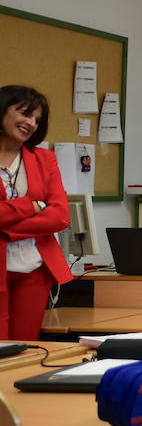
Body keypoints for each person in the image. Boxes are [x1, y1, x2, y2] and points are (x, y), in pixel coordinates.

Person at [0, 86, 74, 341]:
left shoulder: (44, 159)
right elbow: (45, 211)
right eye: (25, 114)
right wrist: (29, 206)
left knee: (24, 347)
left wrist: (6, 228)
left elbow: (60, 216)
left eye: (37, 119)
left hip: (34, 267)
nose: (31, 123)